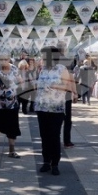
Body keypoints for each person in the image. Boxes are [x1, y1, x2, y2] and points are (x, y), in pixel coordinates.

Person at [34, 46, 72, 175]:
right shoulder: (42, 69)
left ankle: (55, 163)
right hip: (42, 108)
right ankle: (46, 161)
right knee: (44, 136)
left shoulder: (62, 69)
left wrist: (52, 86)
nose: (42, 58)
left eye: (44, 56)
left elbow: (66, 86)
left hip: (56, 109)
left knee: (54, 136)